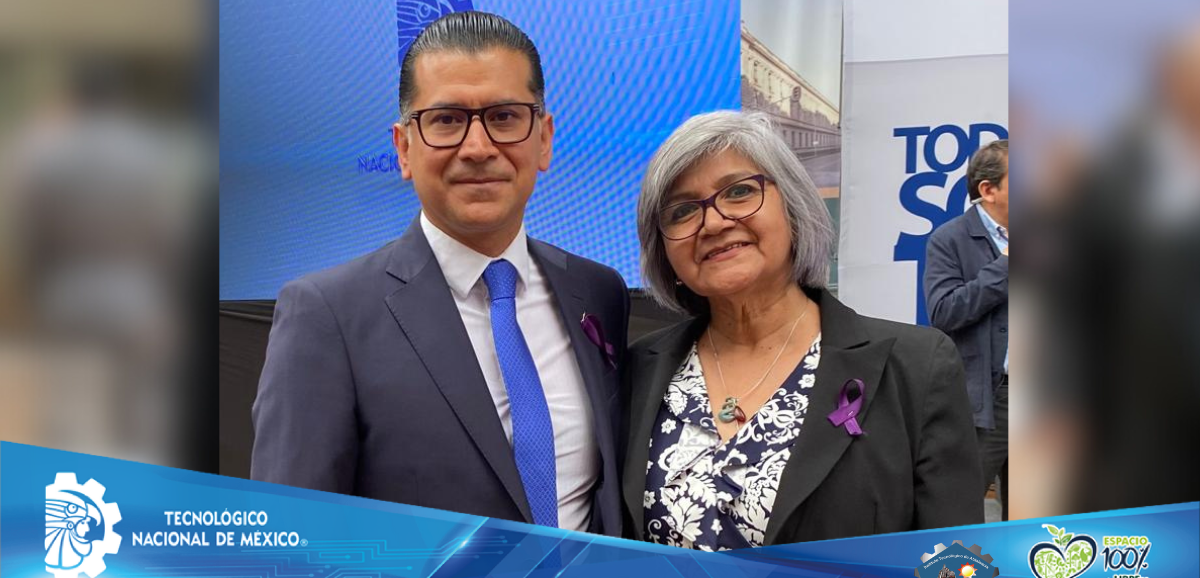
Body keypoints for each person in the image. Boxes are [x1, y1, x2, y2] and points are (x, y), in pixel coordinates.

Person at [251, 11, 629, 536]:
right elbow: (291, 536)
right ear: (404, 147)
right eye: (447, 120)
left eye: (504, 116)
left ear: (544, 139)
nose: (478, 148)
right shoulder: (327, 315)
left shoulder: (598, 293)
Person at [621, 111, 982, 550]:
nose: (713, 223)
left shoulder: (916, 368)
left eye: (739, 191)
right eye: (682, 211)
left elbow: (957, 570)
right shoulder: (638, 371)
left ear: (793, 208)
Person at [924, 140, 1009, 520]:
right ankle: (954, 569)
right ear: (988, 190)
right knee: (958, 513)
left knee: (1039, 521)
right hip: (989, 399)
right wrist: (1005, 266)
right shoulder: (950, 239)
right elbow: (944, 312)